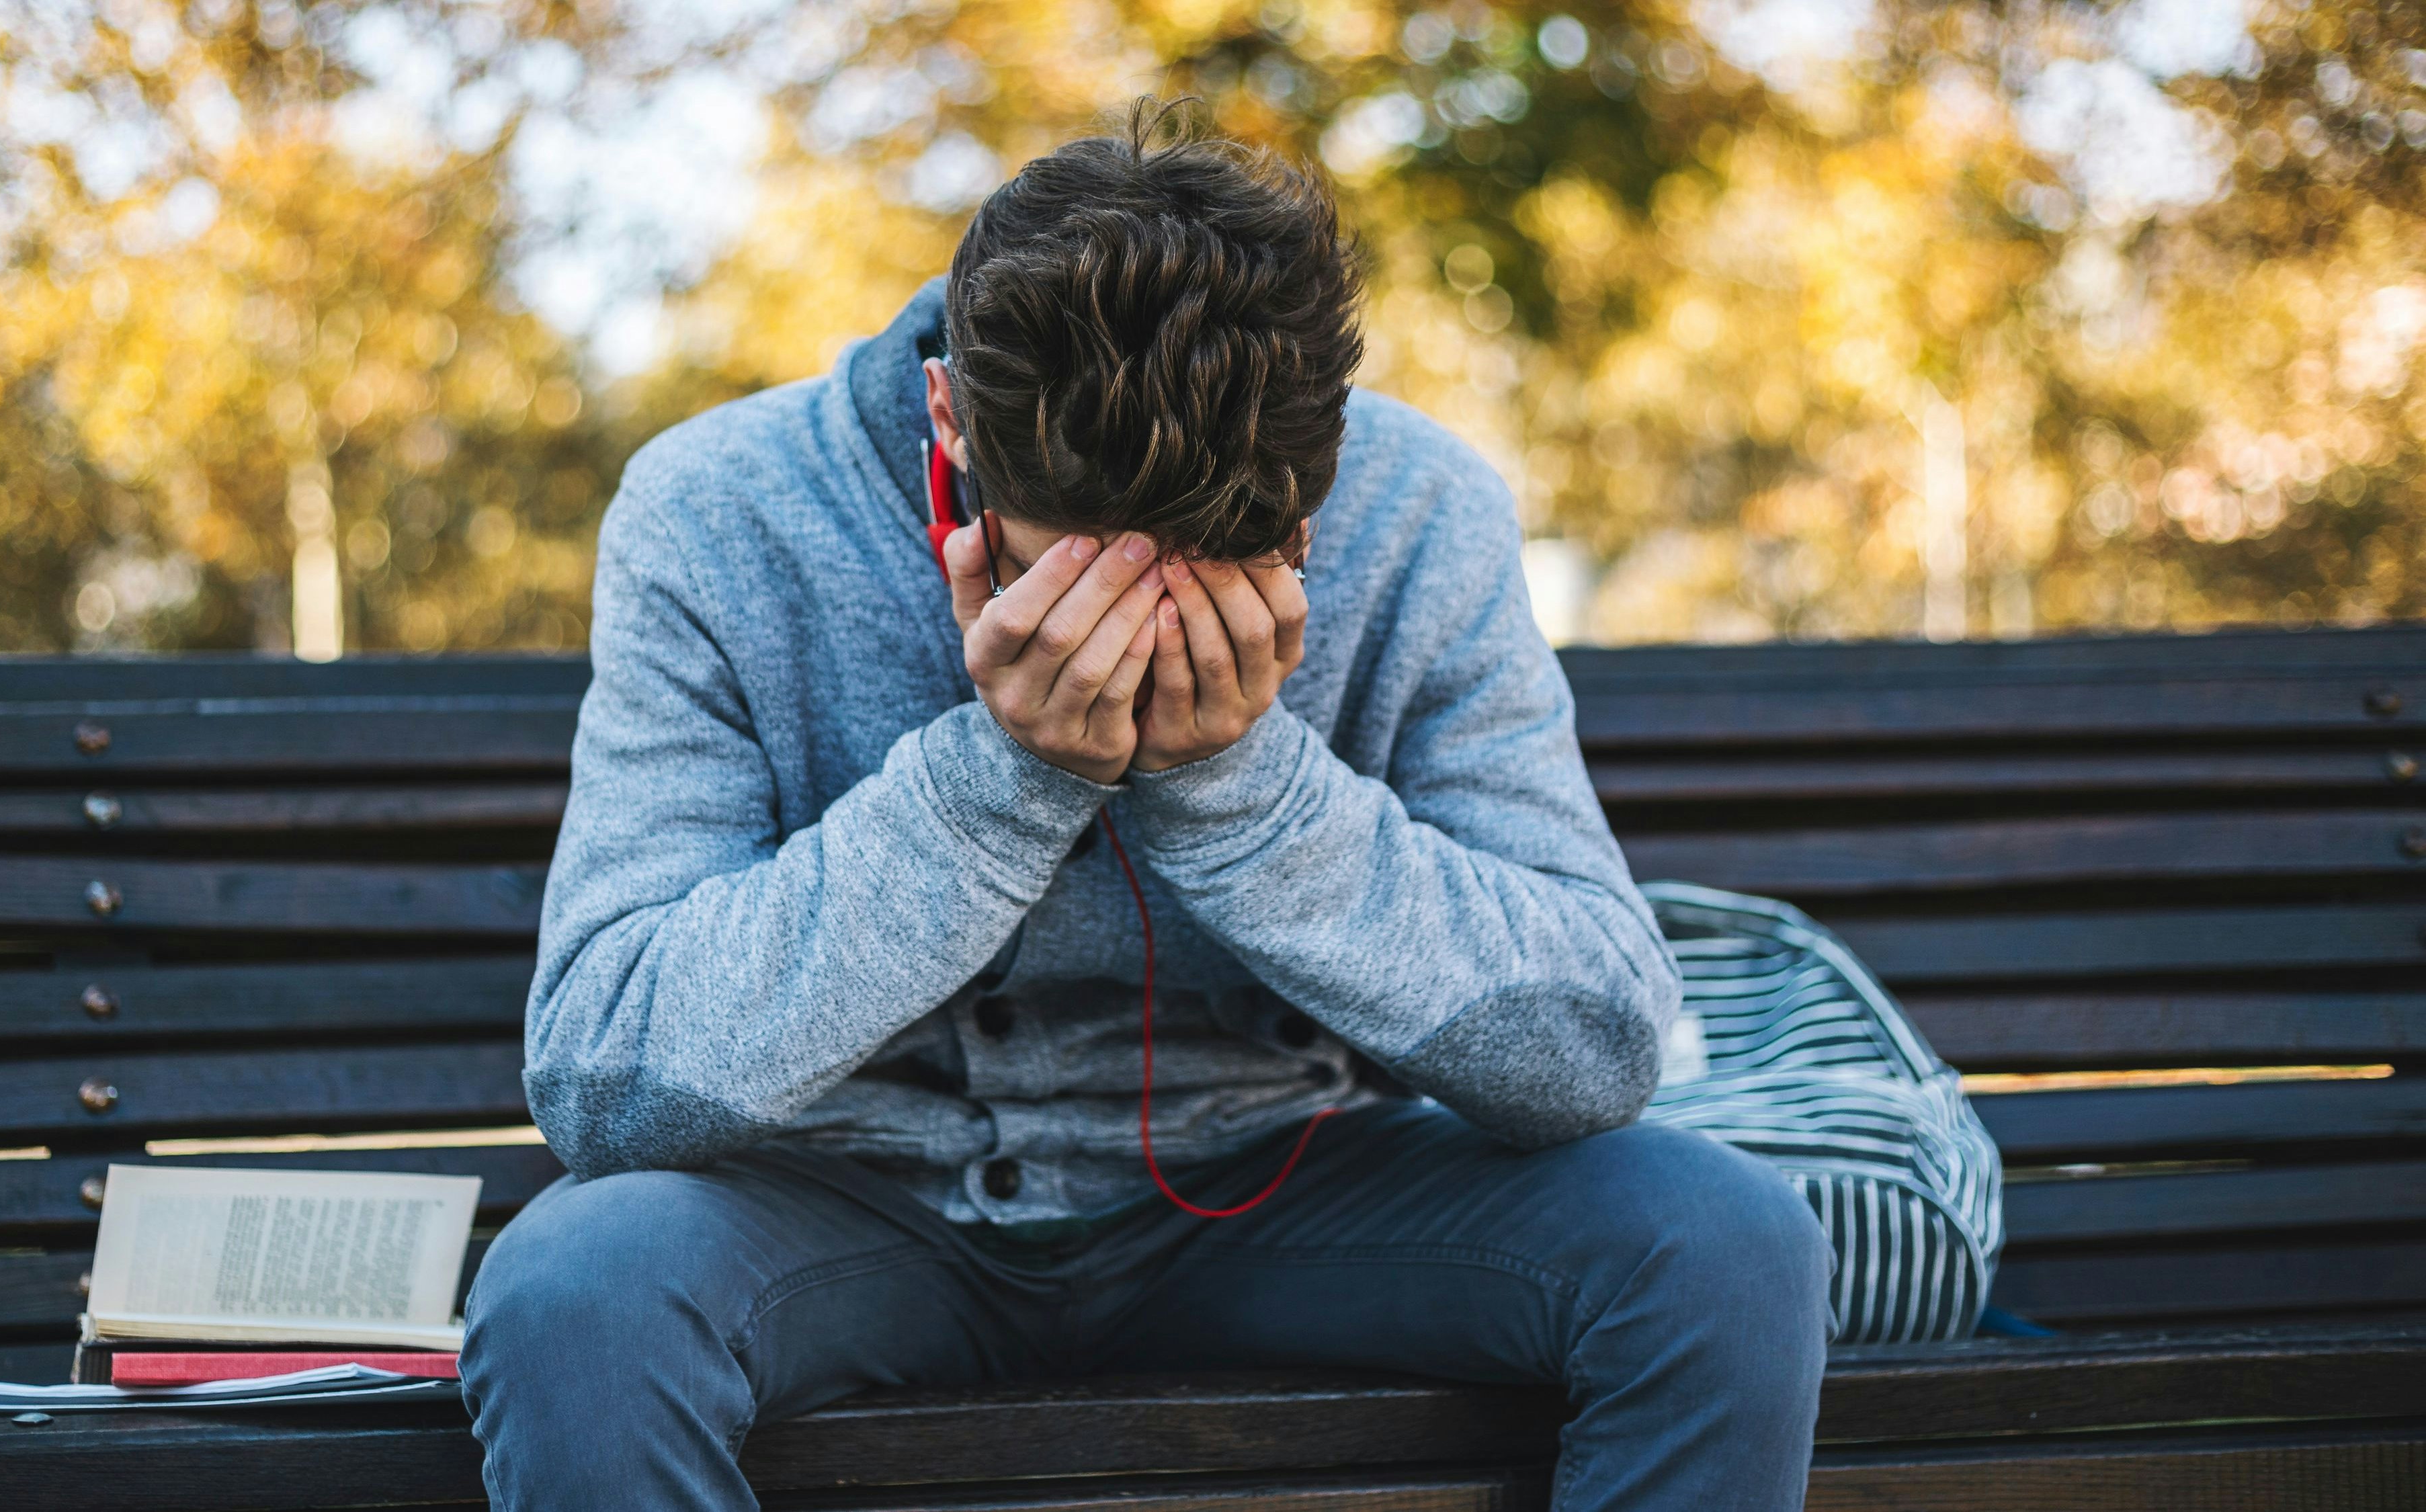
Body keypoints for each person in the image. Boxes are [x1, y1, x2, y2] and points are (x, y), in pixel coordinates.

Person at [461, 103, 1831, 1511]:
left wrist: (1244, 791)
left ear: (1325, 472)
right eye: (1083, 575)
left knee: (1722, 1245)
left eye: (1225, 567)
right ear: (950, 417)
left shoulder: (1424, 514)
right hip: (841, 1206)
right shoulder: (716, 511)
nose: (1144, 628)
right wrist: (1000, 783)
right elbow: (607, 1073)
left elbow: (1599, 1045)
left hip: (1285, 1186)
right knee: (578, 1293)